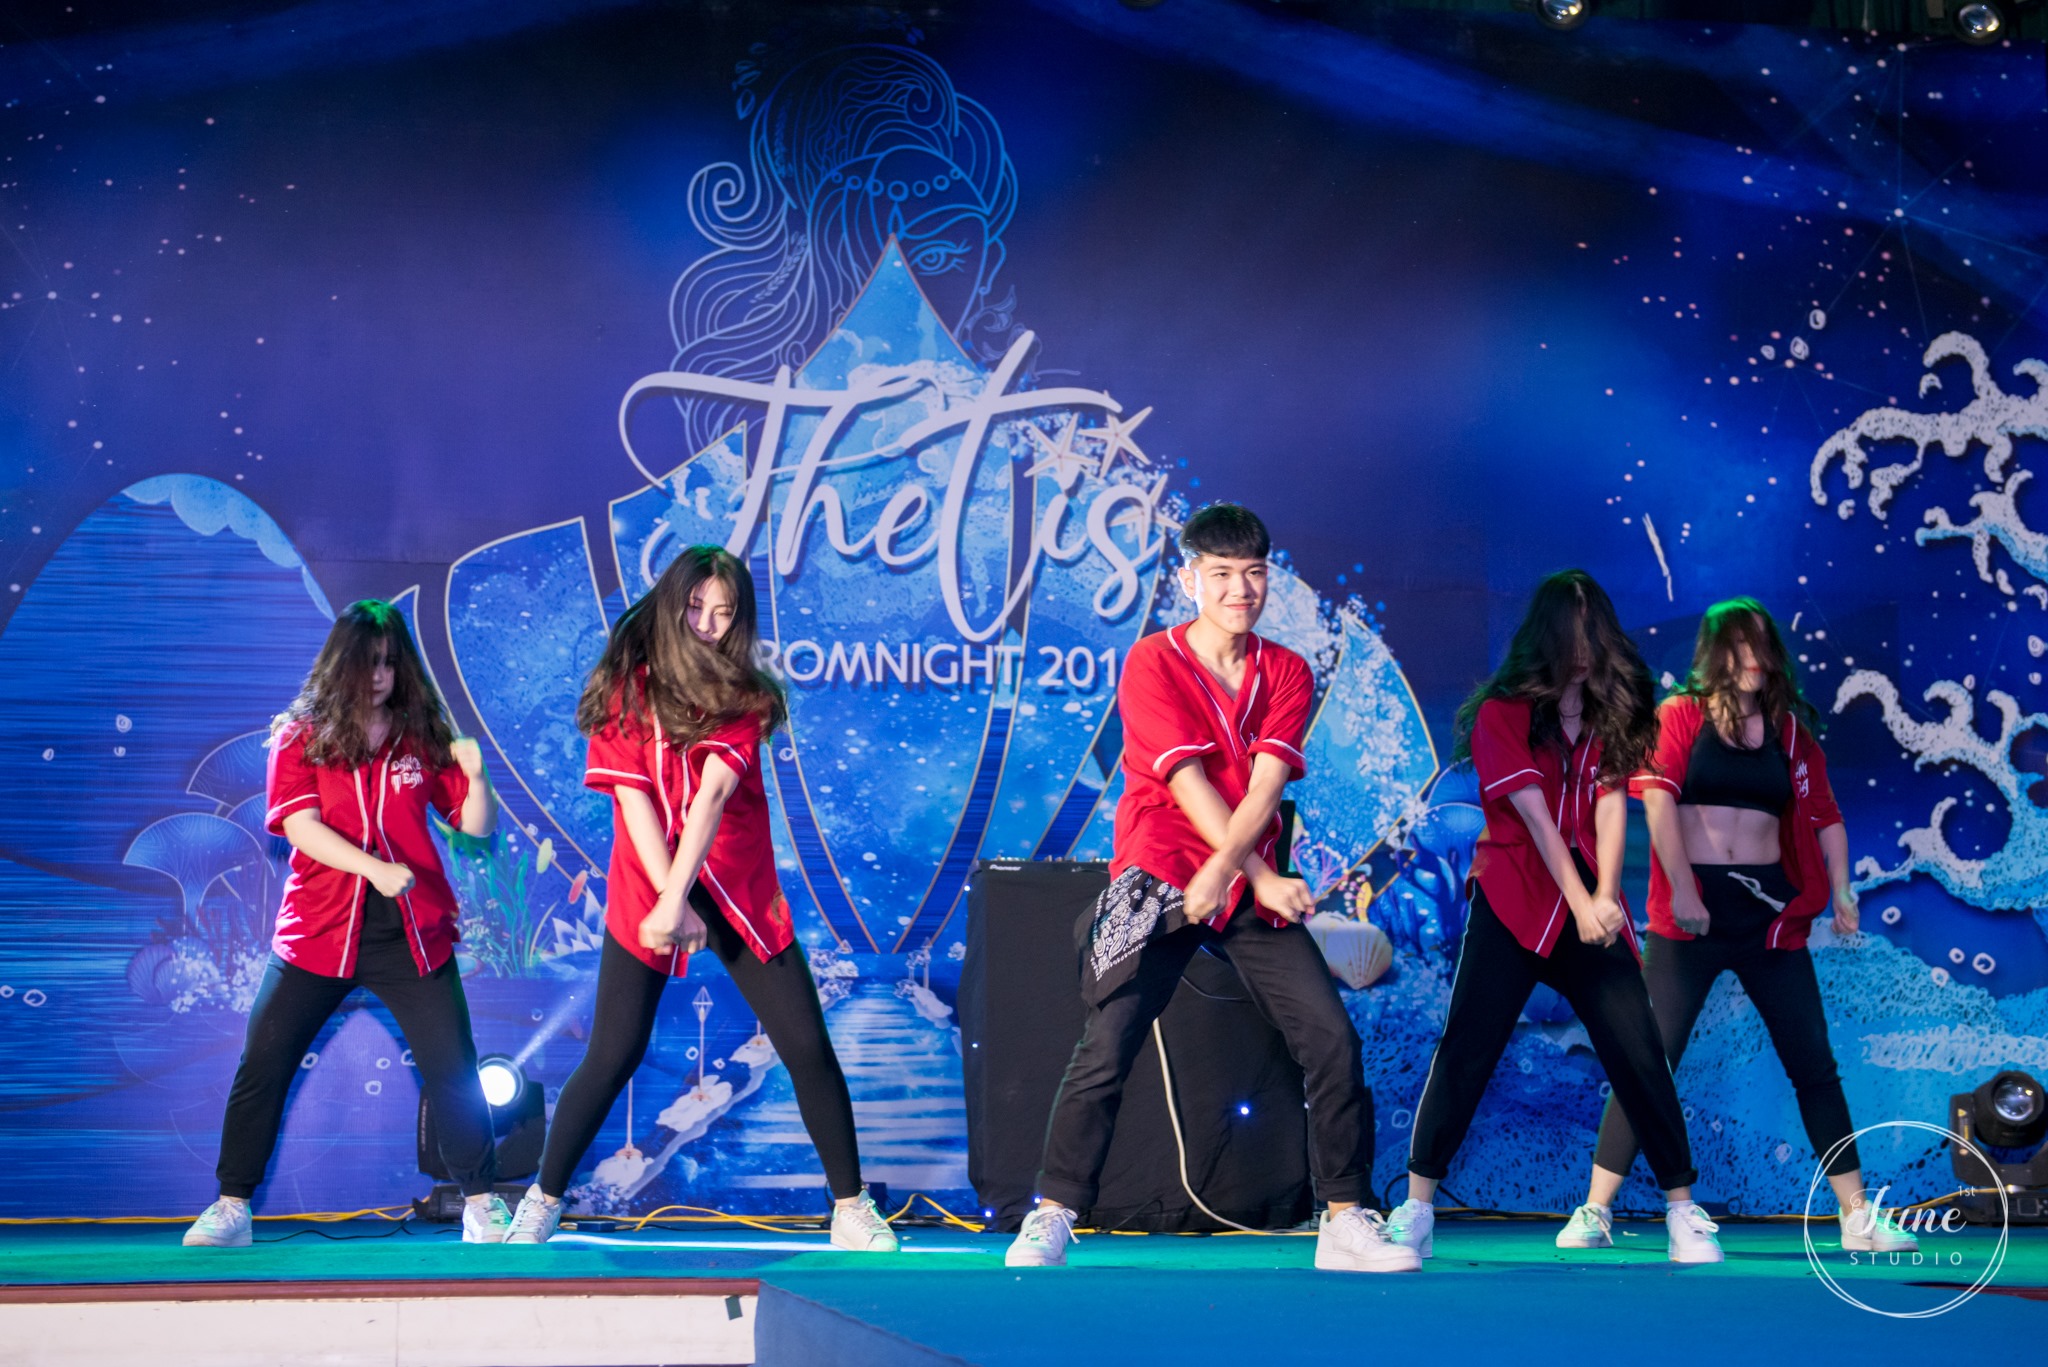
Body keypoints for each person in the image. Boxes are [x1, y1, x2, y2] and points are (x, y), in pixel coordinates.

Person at [1005, 503, 1417, 1273]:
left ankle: (1345, 1216)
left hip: (1240, 882)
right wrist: (1245, 871)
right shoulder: (1152, 661)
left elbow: (1265, 787)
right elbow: (1186, 781)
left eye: (1254, 573)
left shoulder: (1287, 669)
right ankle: (1052, 1212)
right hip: (1161, 871)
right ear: (1191, 579)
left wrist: (1238, 875)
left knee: (1330, 1037)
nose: (1240, 589)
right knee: (1108, 1043)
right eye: (1222, 573)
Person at [505, 546, 896, 1251]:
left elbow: (713, 795)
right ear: (671, 603)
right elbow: (633, 803)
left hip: (735, 884)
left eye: (724, 612)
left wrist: (681, 898)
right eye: (696, 607)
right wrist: (666, 899)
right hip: (649, 882)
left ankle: (851, 1205)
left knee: (805, 1043)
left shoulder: (746, 694)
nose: (708, 624)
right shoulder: (625, 690)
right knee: (614, 1052)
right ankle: (543, 1198)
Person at [1385, 571, 1723, 1265]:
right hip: (1515, 896)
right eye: (1571, 632)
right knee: (1468, 1046)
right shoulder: (1501, 712)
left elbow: (1610, 805)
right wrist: (1581, 900)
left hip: (1589, 902)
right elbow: (1537, 820)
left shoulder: (1611, 711)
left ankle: (1682, 1211)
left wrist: (1606, 895)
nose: (1582, 648)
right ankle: (1416, 1207)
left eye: (1592, 632)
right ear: (1545, 636)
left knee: (1639, 1050)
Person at [1566, 598, 1918, 1252]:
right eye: (1739, 644)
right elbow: (1658, 801)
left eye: (1762, 644)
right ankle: (1594, 1209)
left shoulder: (1789, 732)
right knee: (1648, 1058)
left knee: (1813, 1064)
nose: (1753, 657)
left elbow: (1826, 816)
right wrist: (1685, 888)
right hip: (1692, 913)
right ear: (1716, 652)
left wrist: (1842, 889)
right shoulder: (1681, 714)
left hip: (1768, 917)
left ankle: (1857, 1217)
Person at [183, 600, 506, 1247]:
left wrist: (476, 779)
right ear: (340, 663)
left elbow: (474, 827)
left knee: (454, 1068)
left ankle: (482, 1201)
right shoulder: (299, 736)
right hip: (318, 933)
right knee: (263, 1062)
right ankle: (231, 1205)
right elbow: (299, 826)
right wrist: (374, 869)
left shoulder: (421, 736)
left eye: (389, 663)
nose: (379, 676)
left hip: (412, 934)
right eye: (367, 662)